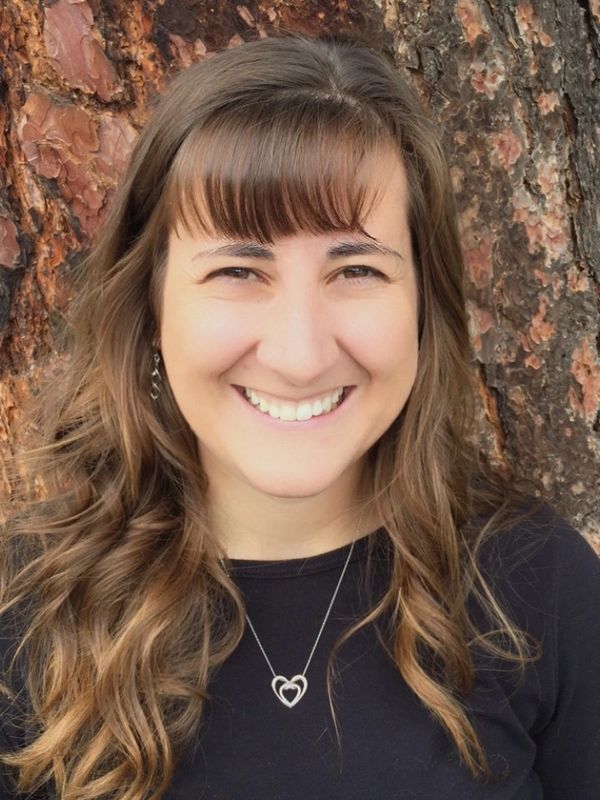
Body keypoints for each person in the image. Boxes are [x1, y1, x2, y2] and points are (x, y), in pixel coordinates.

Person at [0, 29, 599, 800]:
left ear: (423, 302)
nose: (300, 354)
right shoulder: (26, 608)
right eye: (239, 270)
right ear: (150, 306)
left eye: (356, 269)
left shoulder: (540, 587)